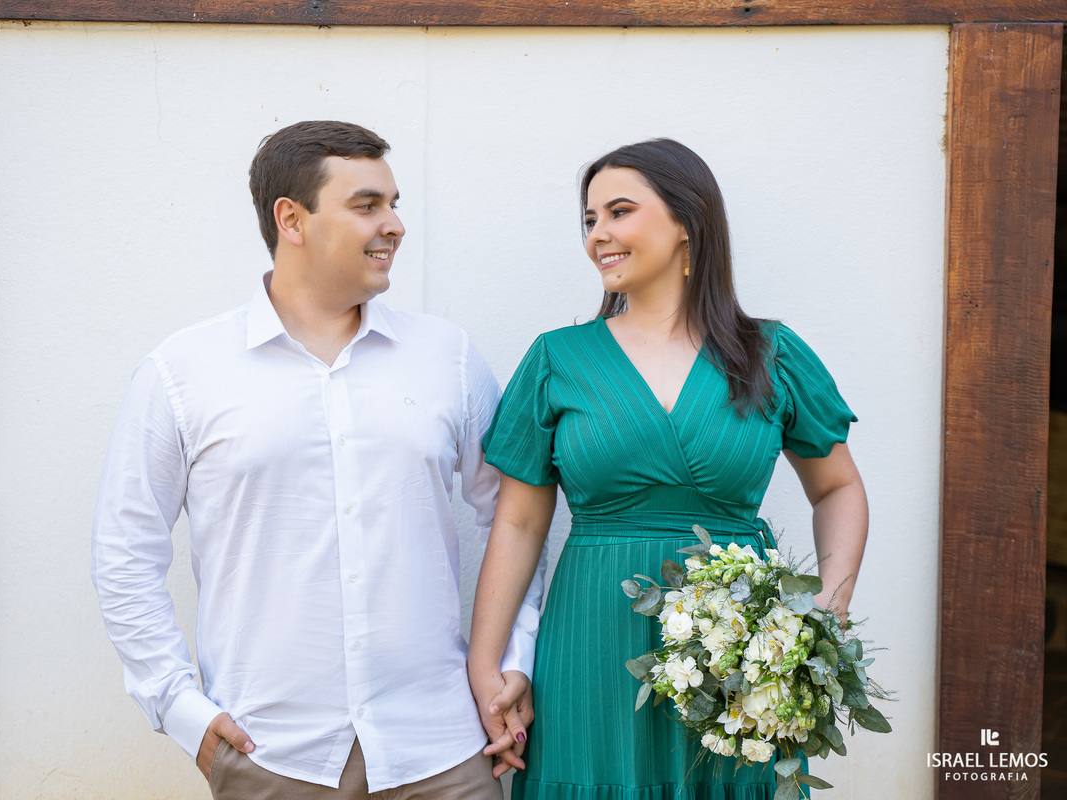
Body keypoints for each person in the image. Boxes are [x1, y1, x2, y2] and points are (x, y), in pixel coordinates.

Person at [91, 120, 543, 799]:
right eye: (367, 205)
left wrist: (514, 662)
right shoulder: (182, 372)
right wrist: (179, 708)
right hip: (270, 756)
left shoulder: (446, 357)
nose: (393, 225)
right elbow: (124, 551)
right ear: (291, 219)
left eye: (395, 204)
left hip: (441, 752)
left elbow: (517, 515)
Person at [467, 138, 868, 799]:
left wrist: (827, 605)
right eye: (590, 219)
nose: (599, 234)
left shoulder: (773, 354)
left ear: (688, 221)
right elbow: (516, 525)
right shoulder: (556, 360)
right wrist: (488, 664)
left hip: (740, 653)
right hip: (591, 640)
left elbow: (839, 487)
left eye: (619, 211)